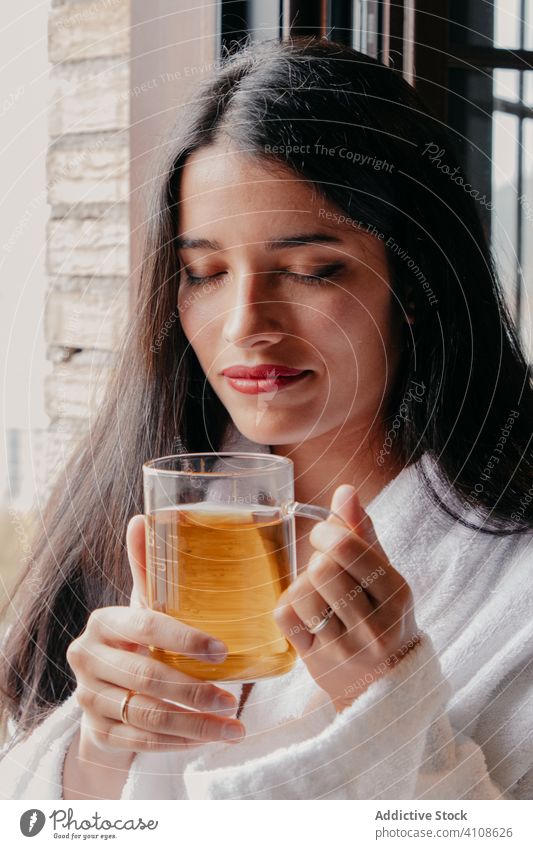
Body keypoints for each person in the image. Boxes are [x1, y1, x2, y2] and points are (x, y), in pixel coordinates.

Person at [1, 37, 532, 801]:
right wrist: (95, 754)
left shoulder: (511, 589)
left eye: (312, 269)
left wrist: (382, 703)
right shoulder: (138, 512)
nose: (245, 321)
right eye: (205, 273)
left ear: (412, 279)